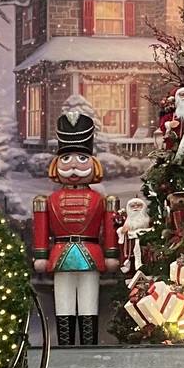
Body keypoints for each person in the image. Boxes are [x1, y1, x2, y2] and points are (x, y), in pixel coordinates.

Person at [33, 112, 118, 345]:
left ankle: (89, 345)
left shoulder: (101, 200)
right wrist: (41, 255)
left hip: (91, 253)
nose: (73, 165)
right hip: (61, 254)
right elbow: (41, 230)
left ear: (93, 163)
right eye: (66, 158)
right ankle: (66, 345)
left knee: (89, 303)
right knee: (64, 303)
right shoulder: (48, 201)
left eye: (81, 158)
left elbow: (109, 227)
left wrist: (111, 253)